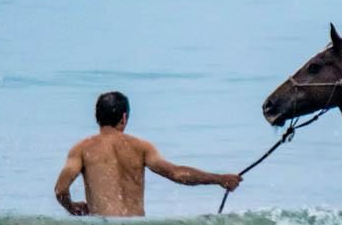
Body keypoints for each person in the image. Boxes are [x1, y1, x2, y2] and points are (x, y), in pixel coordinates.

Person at [54, 91, 241, 216]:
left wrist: (72, 208)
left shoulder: (81, 149)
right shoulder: (141, 147)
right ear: (124, 117)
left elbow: (61, 189)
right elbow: (176, 173)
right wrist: (219, 179)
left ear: (97, 117)